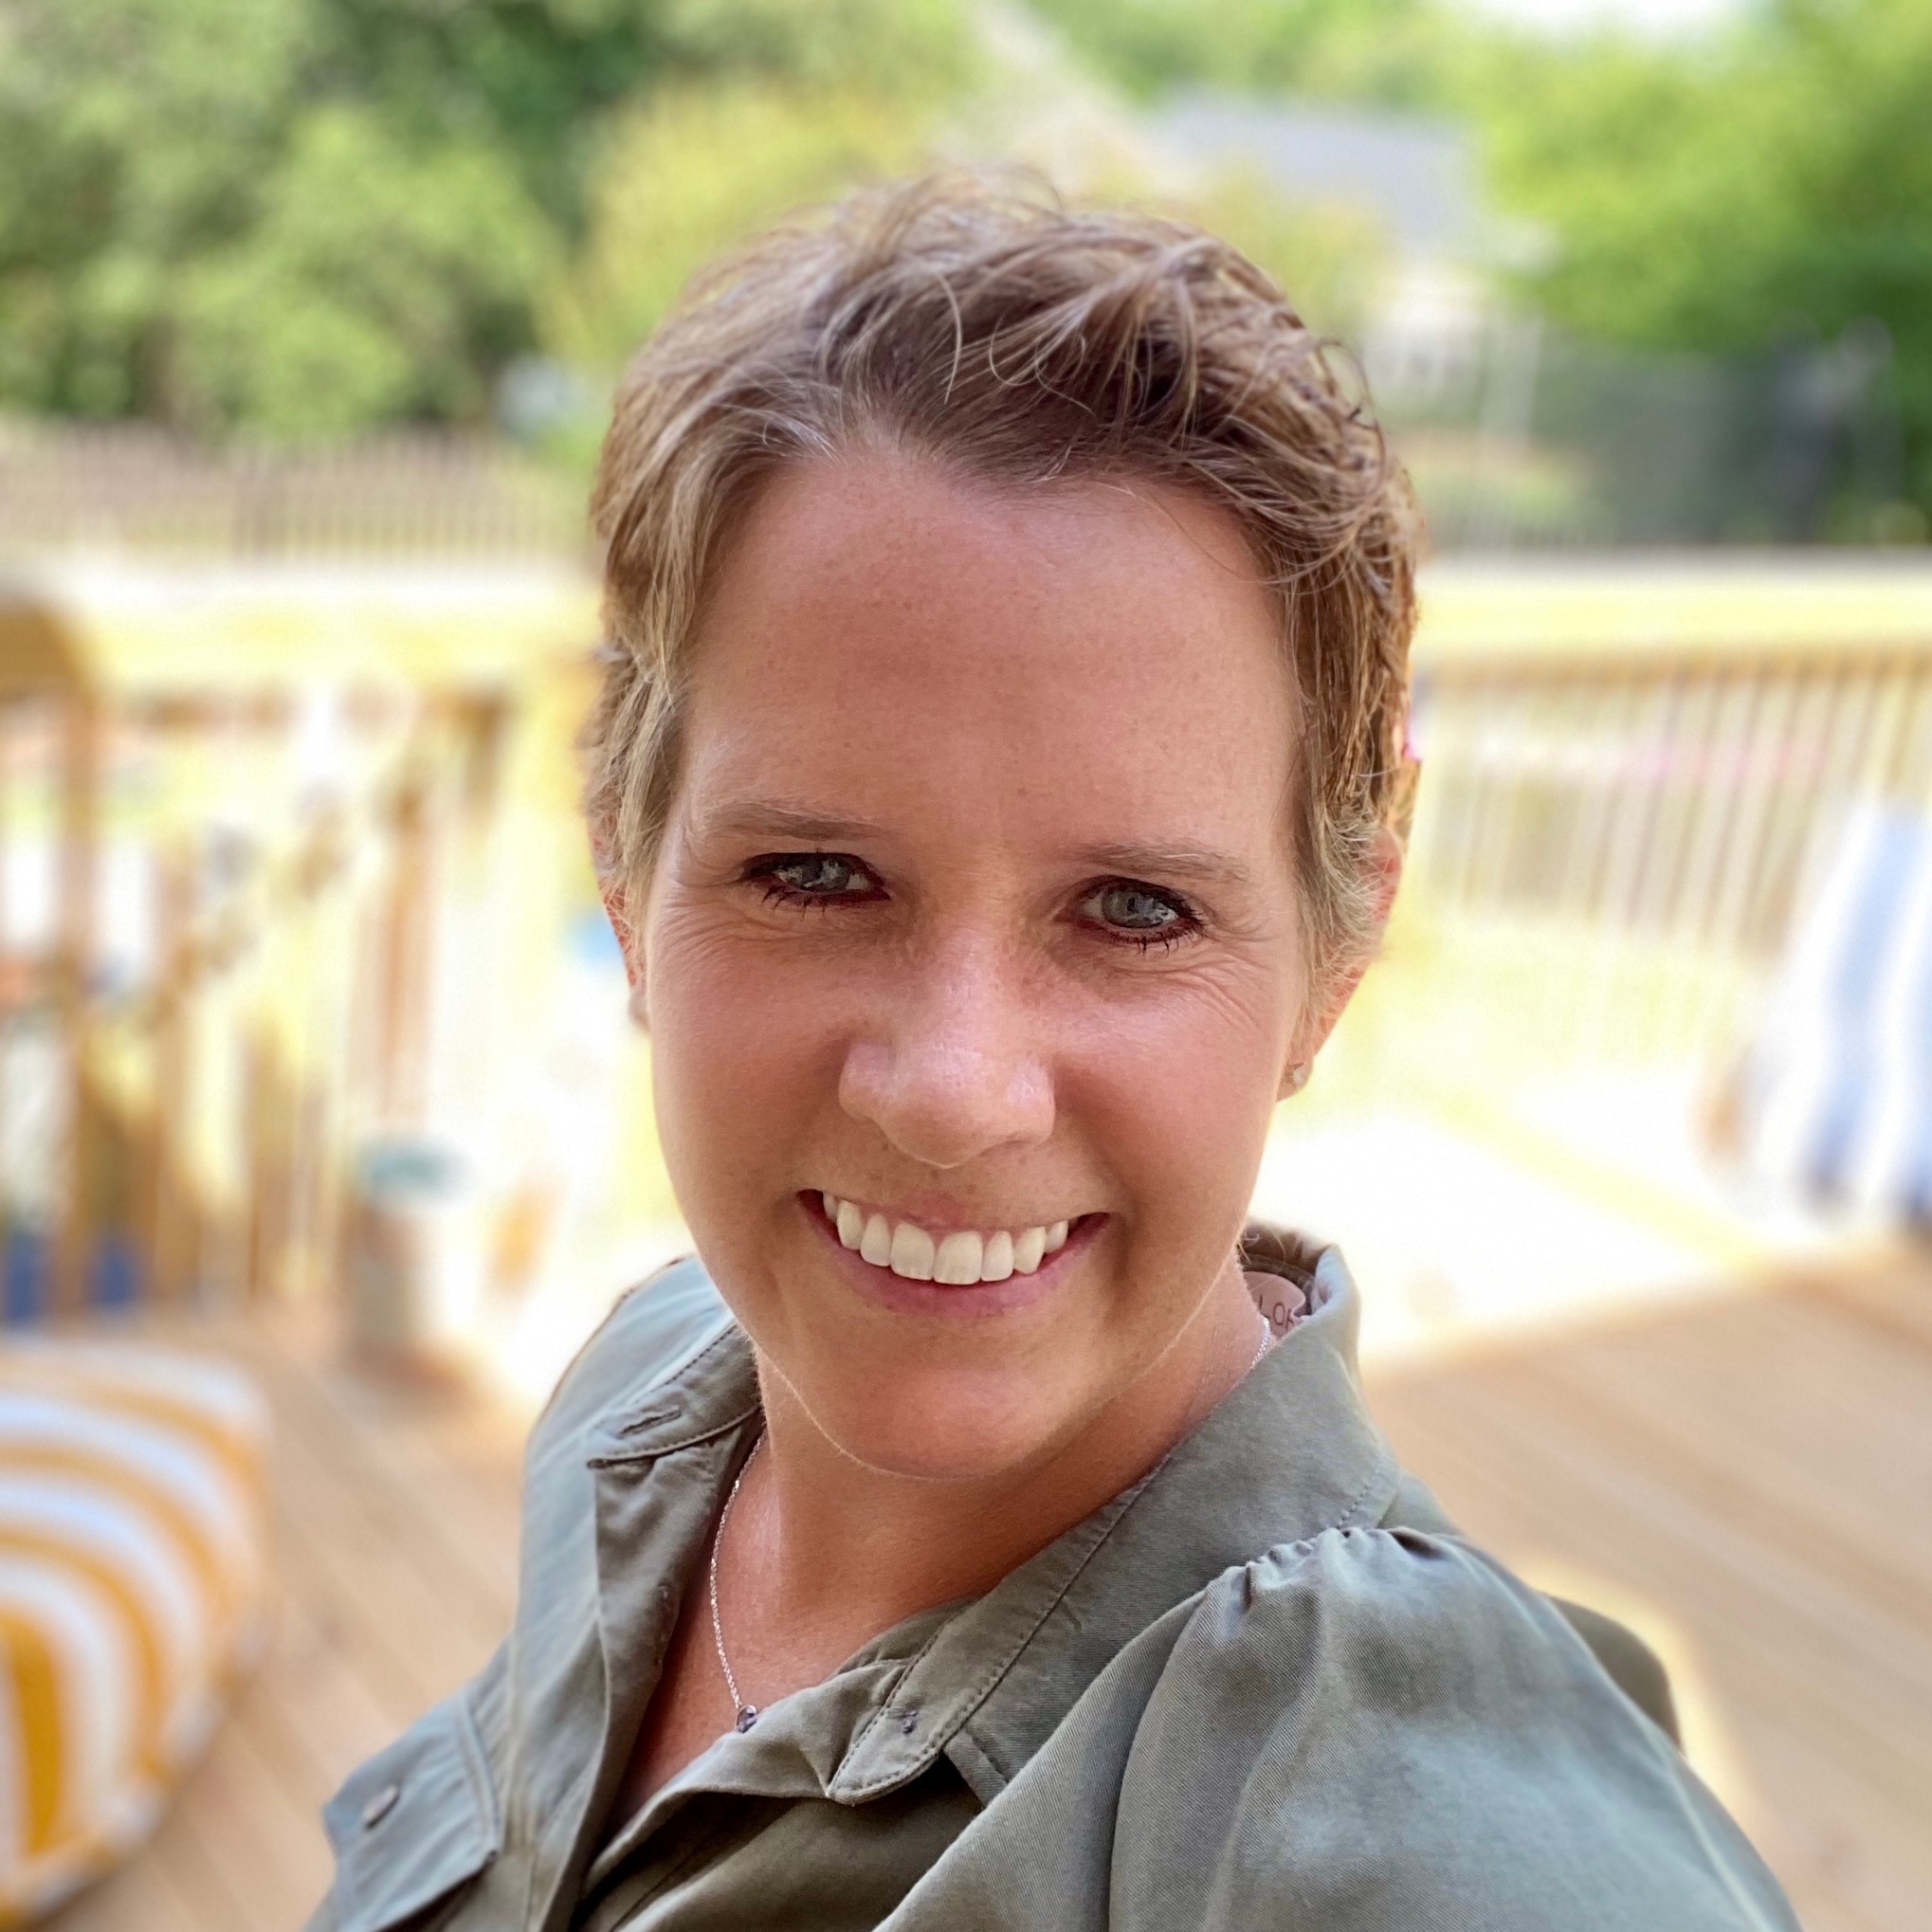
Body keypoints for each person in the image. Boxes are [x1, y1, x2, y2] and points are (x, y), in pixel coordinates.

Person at [308, 176, 1798, 1931]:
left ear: (1336, 943)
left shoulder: (1413, 1846)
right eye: (813, 873)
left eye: (1133, 910)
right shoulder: (650, 1386)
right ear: (628, 876)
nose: (951, 1088)